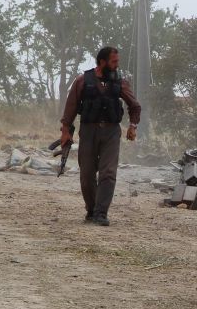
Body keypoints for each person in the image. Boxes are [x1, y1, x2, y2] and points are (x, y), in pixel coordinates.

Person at [60, 46, 141, 226]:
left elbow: (135, 106)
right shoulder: (82, 81)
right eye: (114, 62)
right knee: (87, 173)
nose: (117, 65)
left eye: (117, 61)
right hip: (88, 131)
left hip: (111, 132)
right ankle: (92, 209)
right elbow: (71, 106)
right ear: (102, 62)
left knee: (108, 173)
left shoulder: (120, 82)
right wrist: (65, 131)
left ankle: (101, 213)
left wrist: (132, 126)